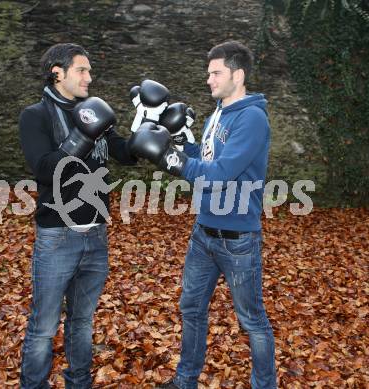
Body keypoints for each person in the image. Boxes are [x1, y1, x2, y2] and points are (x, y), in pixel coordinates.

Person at [129, 40, 277, 389]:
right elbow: (204, 158)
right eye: (208, 72)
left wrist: (172, 160)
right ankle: (186, 380)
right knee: (191, 309)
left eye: (216, 73)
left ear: (237, 75)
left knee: (252, 321)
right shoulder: (217, 115)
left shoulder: (252, 118)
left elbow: (221, 172)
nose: (208, 79)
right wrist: (180, 142)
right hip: (204, 233)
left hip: (237, 239)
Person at [18, 43, 137, 389]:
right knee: (43, 325)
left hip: (96, 236)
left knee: (82, 322)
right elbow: (44, 168)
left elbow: (124, 154)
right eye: (82, 70)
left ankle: (79, 383)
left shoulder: (93, 110)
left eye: (89, 70)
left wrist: (149, 133)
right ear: (58, 73)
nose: (89, 76)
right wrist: (81, 136)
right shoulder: (35, 115)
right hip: (57, 236)